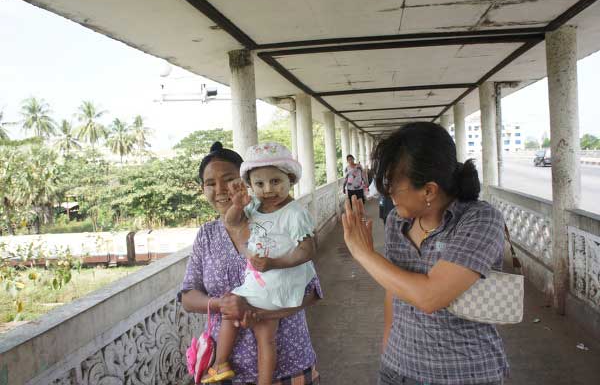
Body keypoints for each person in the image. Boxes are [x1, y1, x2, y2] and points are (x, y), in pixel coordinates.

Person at [341, 122, 509, 385]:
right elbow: (394, 288)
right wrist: (388, 349)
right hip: (398, 368)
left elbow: (430, 297)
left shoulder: (480, 220)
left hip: (465, 373)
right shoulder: (398, 221)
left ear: (429, 190)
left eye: (393, 187)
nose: (389, 197)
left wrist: (363, 253)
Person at [181, 141, 322, 385]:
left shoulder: (280, 221)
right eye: (210, 184)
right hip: (226, 374)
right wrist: (223, 304)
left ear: (245, 182)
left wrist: (260, 313)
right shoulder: (207, 235)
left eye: (229, 180)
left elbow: (313, 291)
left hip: (289, 366)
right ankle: (220, 363)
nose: (222, 189)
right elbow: (187, 296)